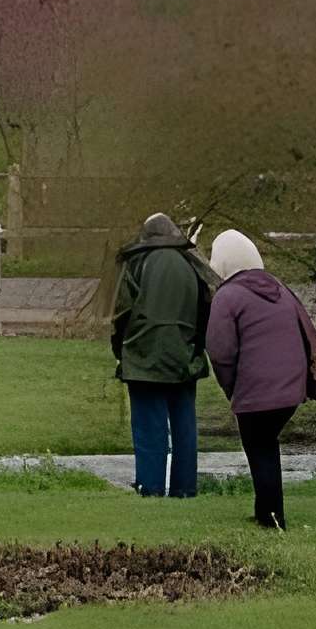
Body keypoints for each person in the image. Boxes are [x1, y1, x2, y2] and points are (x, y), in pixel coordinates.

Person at [206, 228, 316, 531]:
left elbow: (220, 351)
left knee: (259, 447)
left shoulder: (227, 296)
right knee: (267, 445)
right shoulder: (280, 289)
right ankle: (268, 512)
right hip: (291, 388)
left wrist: (231, 388)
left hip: (256, 390)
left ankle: (271, 519)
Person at [110, 212, 214, 497]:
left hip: (144, 358)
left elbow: (122, 313)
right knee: (185, 429)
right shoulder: (191, 263)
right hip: (184, 357)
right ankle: (185, 488)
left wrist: (120, 351)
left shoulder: (136, 262)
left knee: (149, 428)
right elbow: (206, 311)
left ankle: (150, 487)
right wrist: (197, 347)